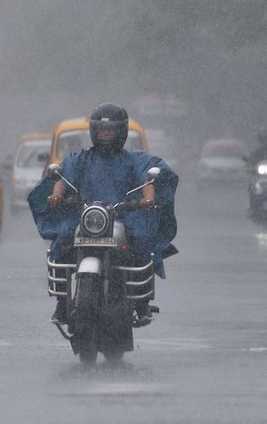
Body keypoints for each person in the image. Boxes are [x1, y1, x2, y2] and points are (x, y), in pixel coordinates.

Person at [28, 103, 178, 326]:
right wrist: (57, 195)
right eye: (101, 131)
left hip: (124, 217)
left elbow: (148, 177)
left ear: (121, 132)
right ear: (93, 132)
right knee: (61, 244)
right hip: (88, 217)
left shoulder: (133, 159)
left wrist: (148, 199)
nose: (105, 135)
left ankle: (141, 302)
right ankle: (61, 303)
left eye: (110, 131)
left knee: (143, 241)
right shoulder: (80, 159)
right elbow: (61, 177)